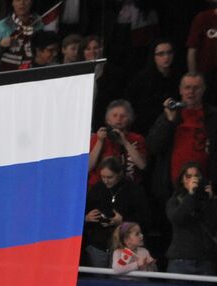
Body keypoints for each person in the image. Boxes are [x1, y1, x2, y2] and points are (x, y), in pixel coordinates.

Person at [146, 73, 217, 203]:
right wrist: (169, 121)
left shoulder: (212, 116)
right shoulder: (170, 114)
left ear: (204, 89)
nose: (191, 92)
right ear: (180, 90)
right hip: (172, 189)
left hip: (205, 187)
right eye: (187, 87)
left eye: (196, 88)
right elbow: (153, 146)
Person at [83, 157, 149, 267]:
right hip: (98, 244)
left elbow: (145, 218)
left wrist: (123, 221)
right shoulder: (96, 189)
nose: (106, 181)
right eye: (103, 177)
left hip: (124, 247)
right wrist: (86, 218)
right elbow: (78, 214)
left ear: (120, 173)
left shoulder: (134, 190)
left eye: (110, 177)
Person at [164, 161, 217, 275]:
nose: (193, 180)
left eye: (197, 176)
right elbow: (177, 219)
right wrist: (191, 195)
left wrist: (210, 201)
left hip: (205, 261)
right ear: (182, 180)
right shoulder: (174, 201)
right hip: (180, 261)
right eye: (188, 176)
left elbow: (213, 224)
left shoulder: (208, 200)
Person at [125, 39, 181, 132]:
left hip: (173, 124)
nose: (166, 57)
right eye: (161, 54)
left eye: (169, 53)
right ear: (153, 56)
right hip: (147, 127)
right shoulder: (141, 80)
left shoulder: (178, 78)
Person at [87, 99, 148, 184]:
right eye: (114, 115)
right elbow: (87, 167)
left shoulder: (137, 139)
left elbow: (142, 165)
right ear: (108, 119)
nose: (119, 119)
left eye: (123, 116)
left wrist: (125, 143)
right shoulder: (97, 138)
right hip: (99, 187)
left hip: (127, 188)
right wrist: (100, 142)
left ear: (129, 119)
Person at [0, 0, 49, 73]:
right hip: (6, 76)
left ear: (32, 1)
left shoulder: (41, 25)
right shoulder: (1, 26)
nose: (22, 3)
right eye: (17, 0)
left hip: (35, 75)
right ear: (12, 3)